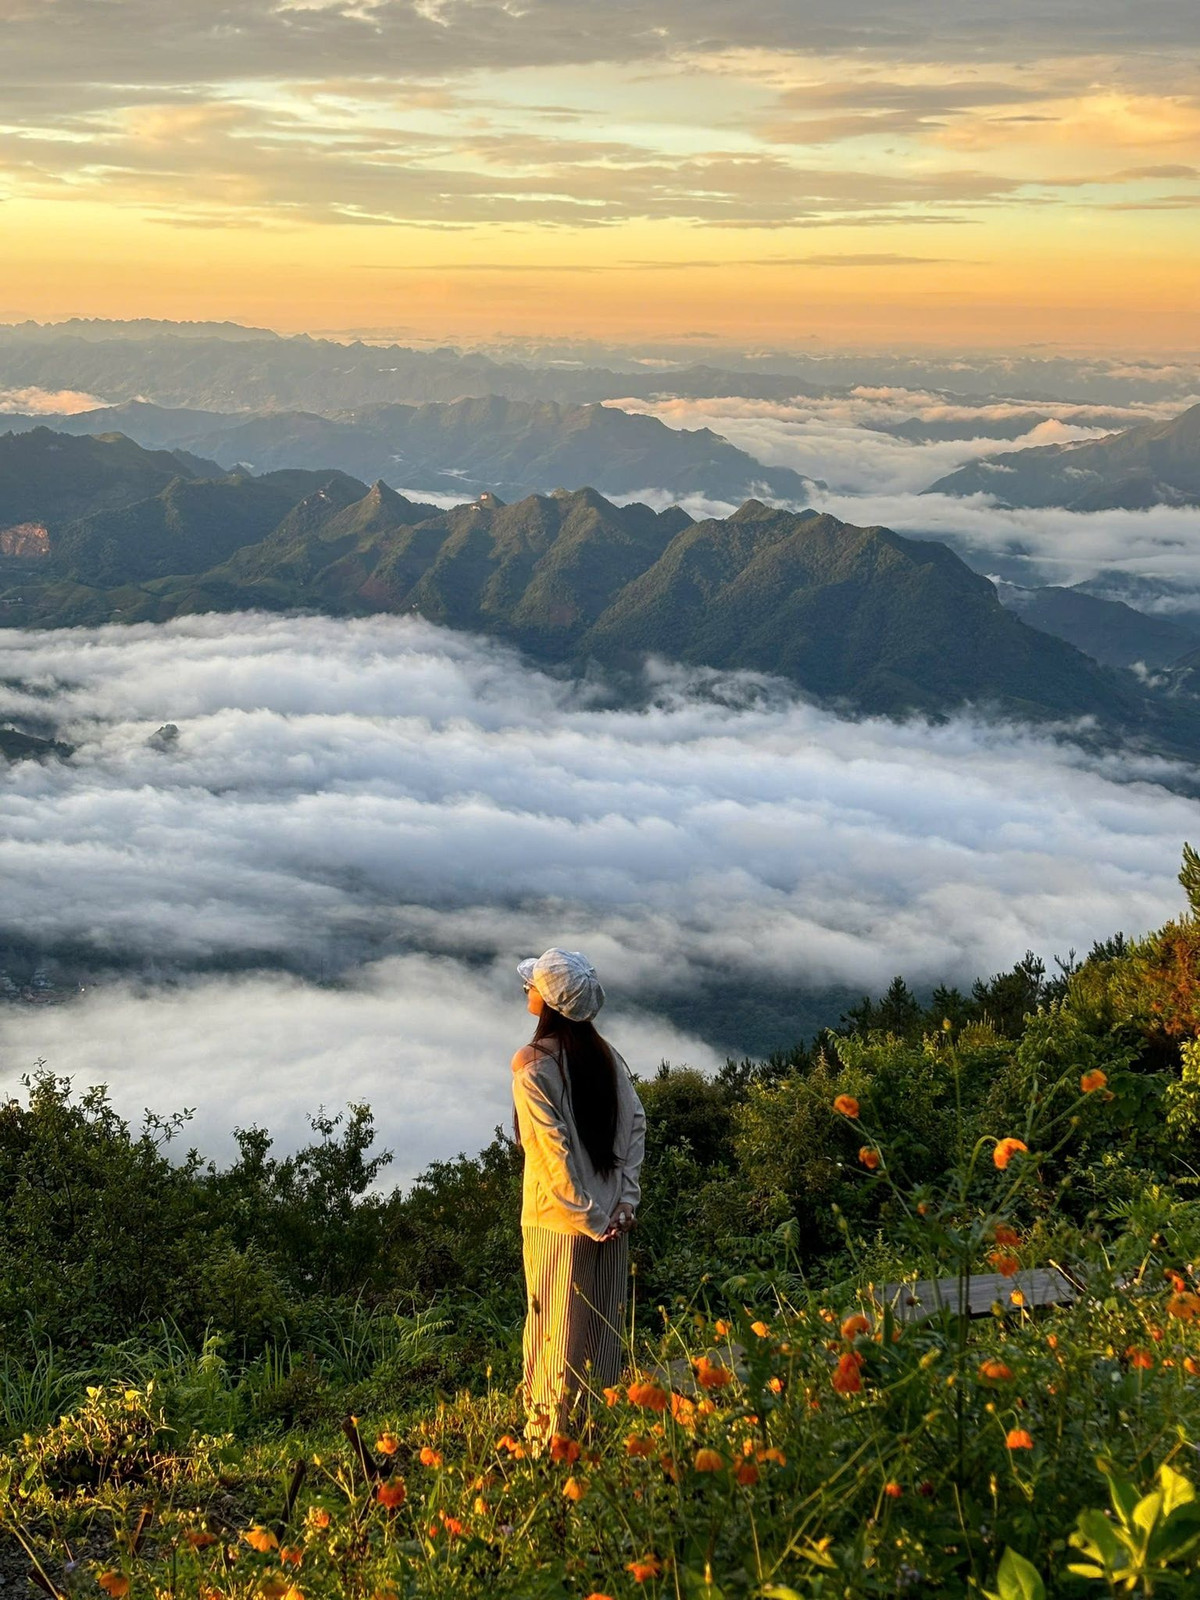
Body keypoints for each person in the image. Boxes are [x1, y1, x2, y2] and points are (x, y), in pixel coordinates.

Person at [511, 947, 646, 1445]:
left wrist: (588, 1217)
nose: (526, 989)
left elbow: (552, 1155)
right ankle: (600, 1436)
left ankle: (551, 1445)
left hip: (559, 1224)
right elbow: (635, 1124)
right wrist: (623, 1204)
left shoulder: (532, 1064)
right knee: (602, 1334)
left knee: (556, 1335)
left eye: (532, 985)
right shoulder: (605, 1056)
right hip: (613, 1219)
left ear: (549, 1002)